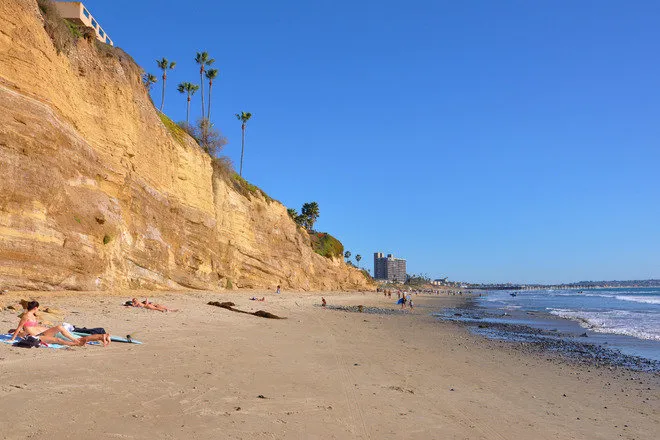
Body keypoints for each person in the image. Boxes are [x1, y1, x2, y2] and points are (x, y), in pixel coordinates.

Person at [10, 301, 110, 347]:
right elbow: (19, 328)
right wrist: (12, 339)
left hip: (43, 333)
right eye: (38, 308)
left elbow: (31, 328)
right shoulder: (25, 316)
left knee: (59, 327)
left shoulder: (34, 316)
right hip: (36, 337)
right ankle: (76, 343)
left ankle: (75, 340)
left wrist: (45, 328)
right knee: (57, 339)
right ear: (35, 308)